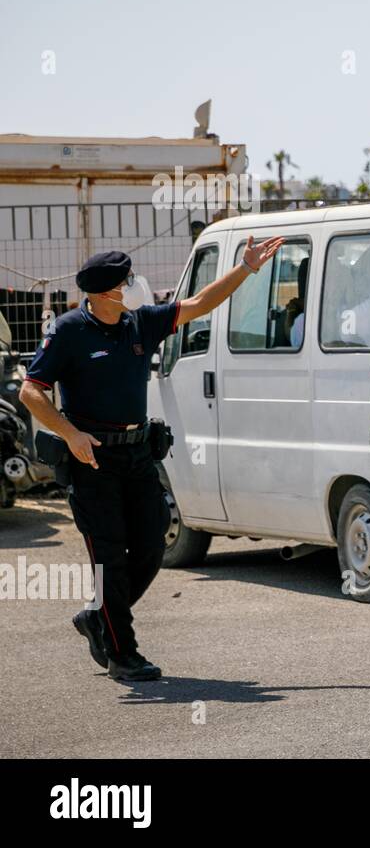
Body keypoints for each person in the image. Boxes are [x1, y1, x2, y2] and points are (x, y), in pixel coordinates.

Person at [20, 239, 284, 681]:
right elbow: (32, 390)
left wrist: (246, 269)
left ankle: (97, 617)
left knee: (151, 542)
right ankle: (123, 653)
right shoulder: (68, 331)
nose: (135, 285)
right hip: (92, 461)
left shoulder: (140, 322)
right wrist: (70, 434)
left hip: (138, 454)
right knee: (109, 559)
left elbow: (200, 303)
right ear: (105, 293)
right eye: (126, 281)